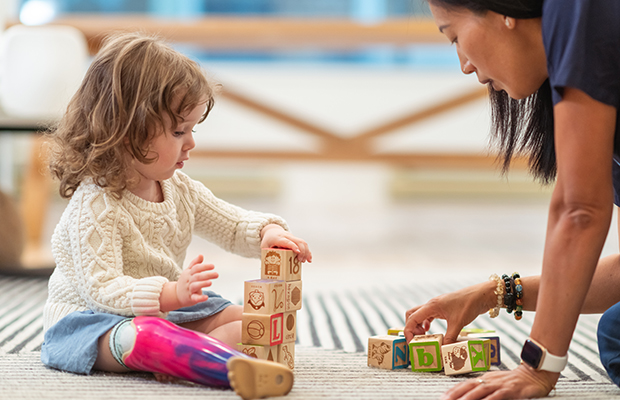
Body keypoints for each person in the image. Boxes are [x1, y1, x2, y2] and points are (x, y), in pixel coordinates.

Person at [41, 32, 312, 400]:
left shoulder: (179, 189)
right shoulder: (96, 204)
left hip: (166, 309)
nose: (191, 142)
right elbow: (101, 288)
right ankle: (200, 360)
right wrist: (169, 293)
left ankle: (195, 354)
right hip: (91, 319)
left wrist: (266, 232)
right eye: (178, 130)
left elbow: (230, 223)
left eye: (192, 129)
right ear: (127, 131)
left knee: (246, 318)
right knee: (136, 336)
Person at [404, 0, 620, 398]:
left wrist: (537, 367)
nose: (465, 65)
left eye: (454, 35)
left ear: (503, 13)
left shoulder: (580, 10)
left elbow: (579, 210)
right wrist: (496, 292)